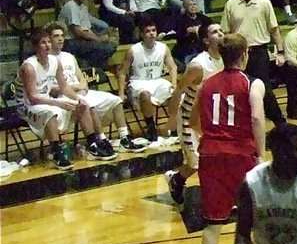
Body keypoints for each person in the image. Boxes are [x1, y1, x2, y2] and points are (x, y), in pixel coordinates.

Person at [190, 33, 266, 244]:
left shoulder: (206, 84)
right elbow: (256, 118)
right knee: (254, 212)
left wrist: (212, 137)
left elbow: (193, 122)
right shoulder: (252, 83)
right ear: (245, 54)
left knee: (213, 219)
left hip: (210, 153)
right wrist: (261, 152)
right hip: (241, 153)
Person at [17, 28, 114, 169]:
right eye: (43, 43)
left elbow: (63, 87)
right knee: (50, 112)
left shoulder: (55, 61)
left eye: (49, 42)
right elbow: (32, 98)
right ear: (36, 47)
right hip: (26, 105)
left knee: (81, 105)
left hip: (45, 99)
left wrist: (77, 98)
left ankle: (93, 145)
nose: (48, 45)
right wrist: (59, 103)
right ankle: (57, 153)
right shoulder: (29, 67)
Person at [46, 22, 133, 156]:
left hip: (81, 93)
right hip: (63, 98)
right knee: (87, 105)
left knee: (116, 100)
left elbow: (84, 82)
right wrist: (73, 88)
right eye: (56, 36)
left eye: (62, 36)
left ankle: (124, 138)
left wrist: (77, 87)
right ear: (49, 39)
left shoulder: (69, 56)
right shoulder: (46, 60)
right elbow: (52, 89)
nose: (60, 39)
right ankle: (101, 140)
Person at [165, 23, 224, 205]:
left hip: (212, 116)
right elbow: (178, 91)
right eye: (215, 32)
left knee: (217, 158)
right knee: (194, 163)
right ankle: (177, 179)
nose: (221, 34)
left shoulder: (227, 59)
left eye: (221, 30)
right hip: (189, 117)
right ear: (206, 40)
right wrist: (171, 119)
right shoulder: (198, 66)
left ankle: (218, 194)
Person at [220, 0, 286, 126]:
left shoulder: (264, 2)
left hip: (259, 52)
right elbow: (226, 32)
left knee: (264, 89)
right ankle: (241, 124)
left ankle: (280, 123)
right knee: (238, 89)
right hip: (238, 53)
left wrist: (280, 51)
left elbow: (274, 29)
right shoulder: (231, 4)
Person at [117, 18, 178, 144]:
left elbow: (172, 67)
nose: (151, 33)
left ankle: (173, 126)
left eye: (154, 30)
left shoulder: (163, 48)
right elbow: (122, 72)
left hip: (157, 80)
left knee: (175, 94)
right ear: (141, 34)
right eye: (148, 31)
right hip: (139, 81)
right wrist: (121, 93)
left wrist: (174, 83)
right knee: (145, 94)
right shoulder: (133, 50)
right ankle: (151, 128)